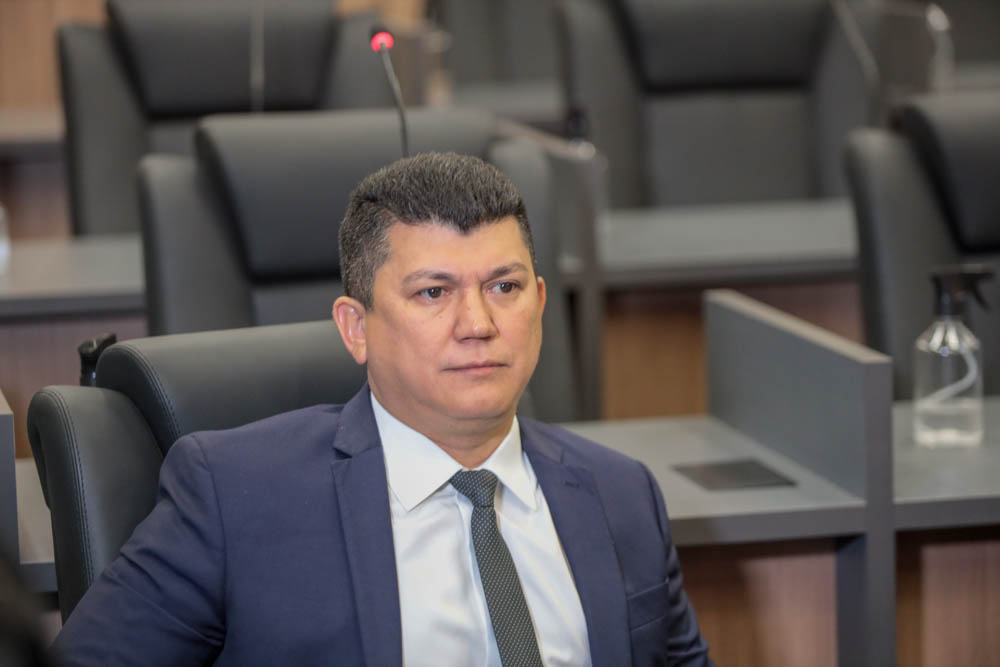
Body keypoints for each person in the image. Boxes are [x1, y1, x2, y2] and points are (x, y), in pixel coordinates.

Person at [53, 152, 710, 666]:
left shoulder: (622, 494)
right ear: (355, 327)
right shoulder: (233, 496)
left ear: (540, 302)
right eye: (433, 293)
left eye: (504, 286)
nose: (478, 324)